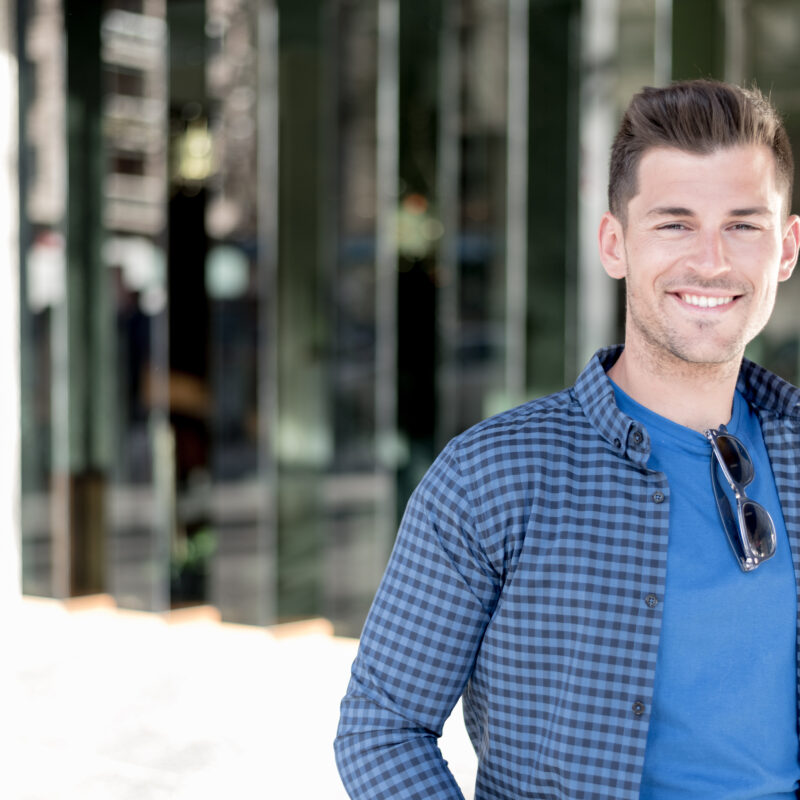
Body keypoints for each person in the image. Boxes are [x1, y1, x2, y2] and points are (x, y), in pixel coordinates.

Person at [335, 79, 800, 799]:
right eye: (674, 224)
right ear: (615, 244)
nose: (711, 260)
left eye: (743, 224)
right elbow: (383, 724)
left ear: (786, 248)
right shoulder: (492, 477)